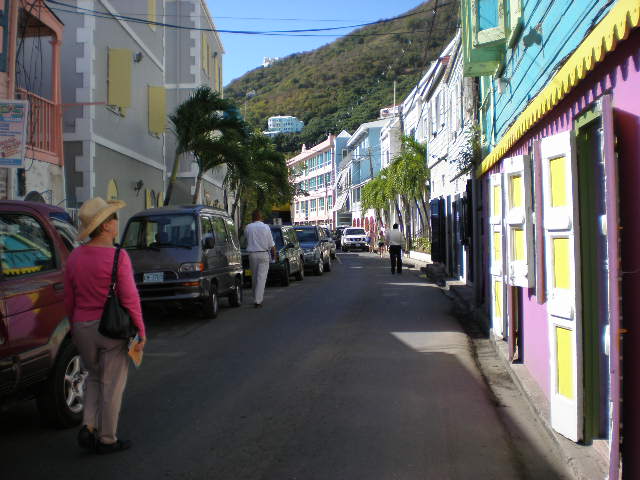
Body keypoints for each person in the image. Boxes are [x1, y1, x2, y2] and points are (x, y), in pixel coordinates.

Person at [64, 197, 146, 454]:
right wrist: (141, 330)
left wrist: (74, 327)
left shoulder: (75, 256)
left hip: (82, 327)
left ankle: (88, 426)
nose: (116, 222)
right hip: (111, 329)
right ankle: (107, 438)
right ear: (106, 225)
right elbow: (130, 298)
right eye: (114, 219)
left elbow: (69, 298)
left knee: (94, 377)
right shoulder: (118, 256)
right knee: (112, 385)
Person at [244, 210, 276, 308]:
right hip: (263, 254)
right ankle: (258, 301)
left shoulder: (248, 227)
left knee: (254, 277)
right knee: (261, 278)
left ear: (252, 218)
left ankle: (255, 297)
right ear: (261, 217)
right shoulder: (266, 227)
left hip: (252, 255)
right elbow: (272, 245)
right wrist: (273, 257)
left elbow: (246, 240)